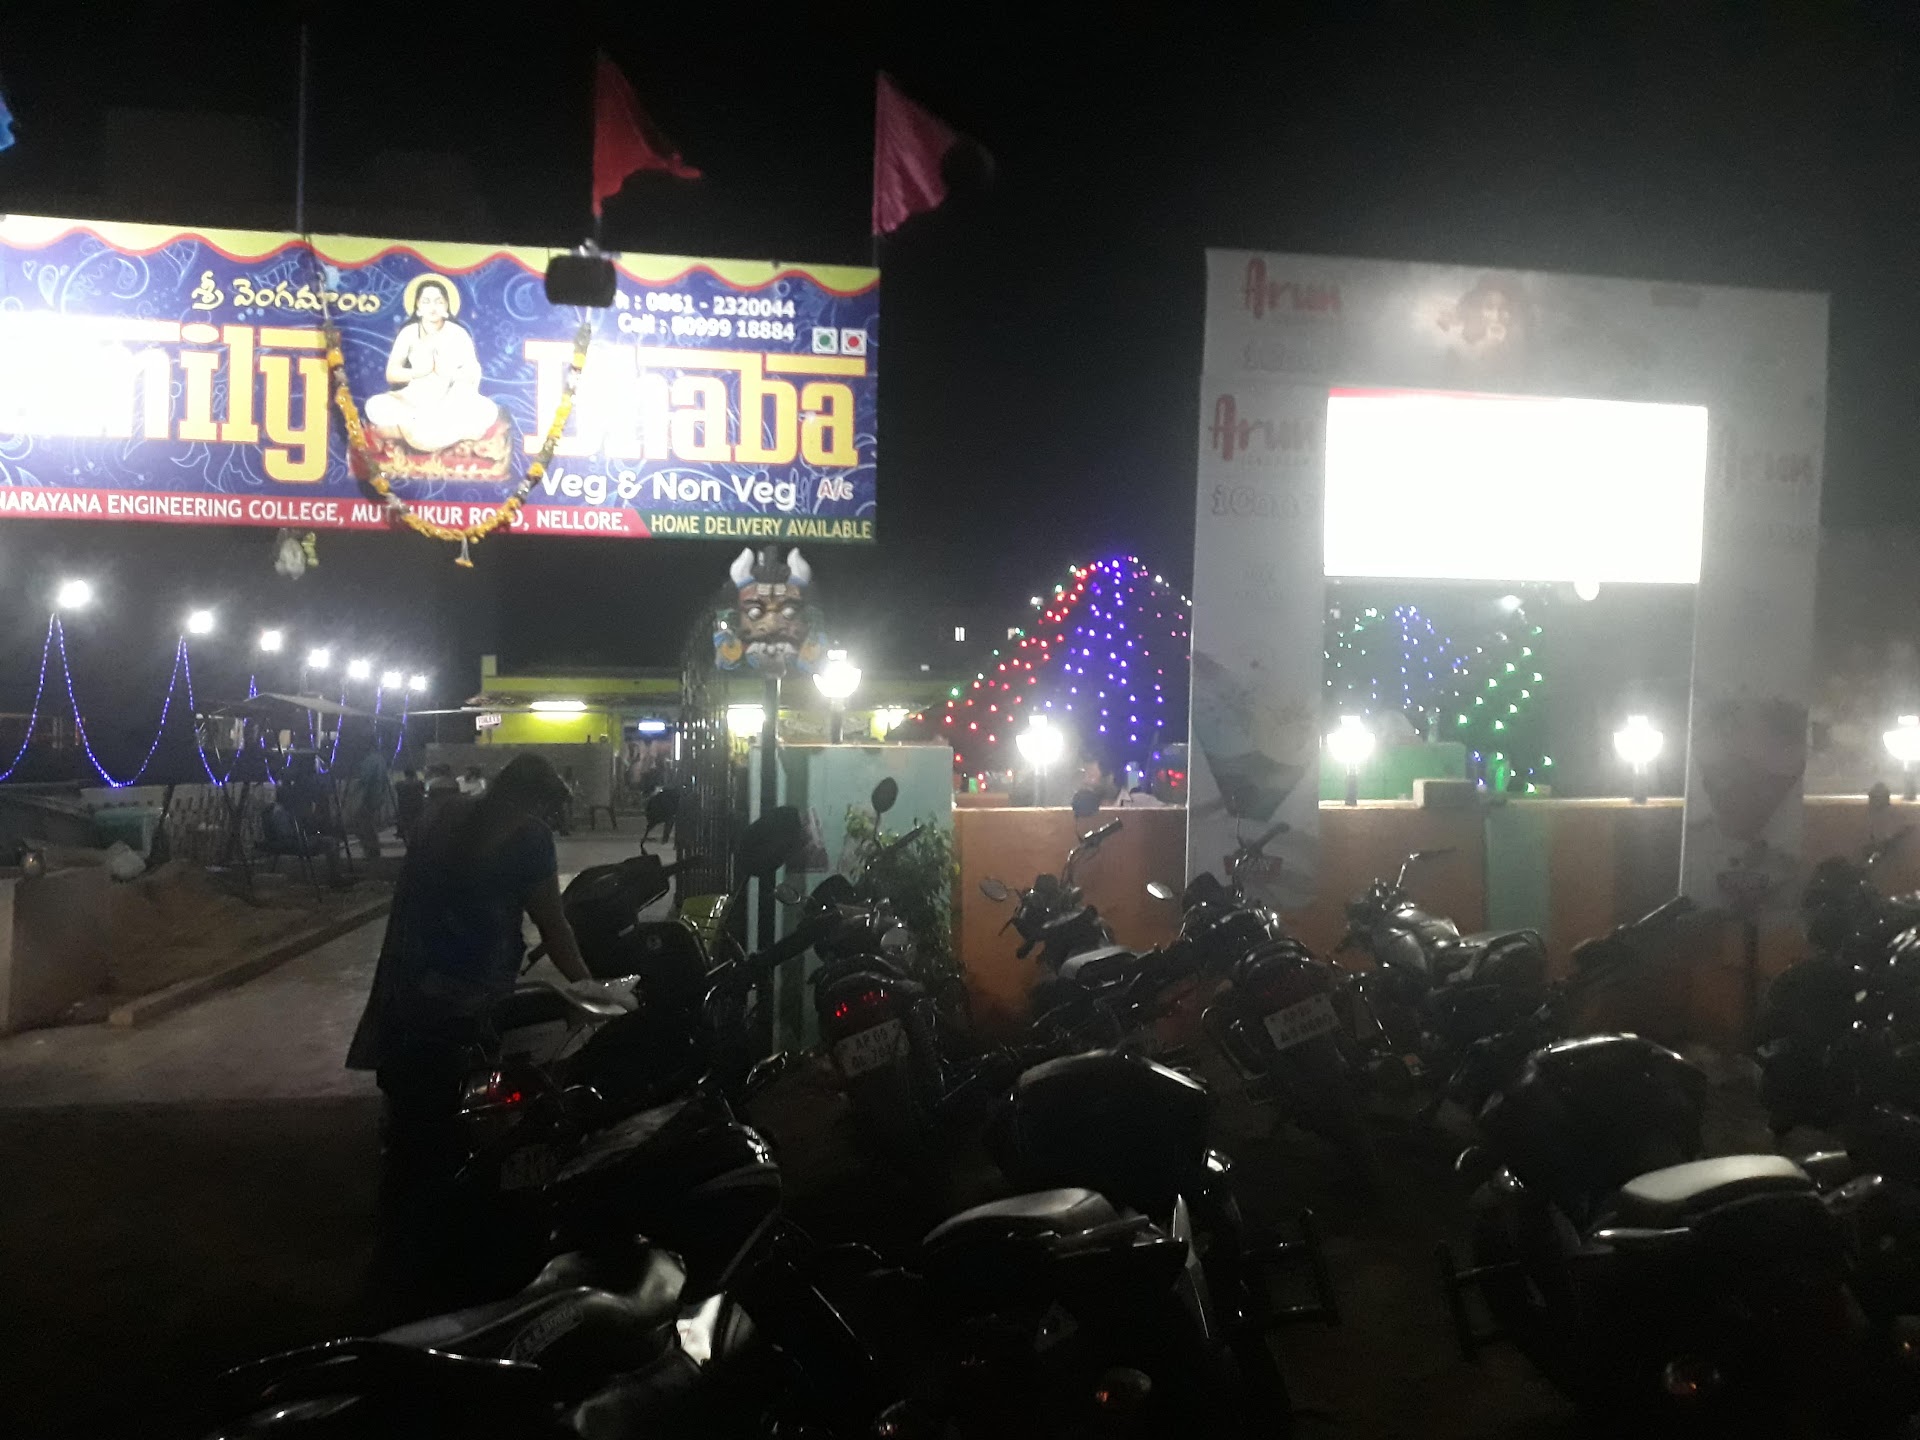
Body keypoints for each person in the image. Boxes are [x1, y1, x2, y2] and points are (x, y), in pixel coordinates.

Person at [346, 753, 624, 1307]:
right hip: (470, 1003)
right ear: (538, 801)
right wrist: (590, 988)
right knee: (471, 1120)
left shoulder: (439, 815)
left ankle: (397, 1254)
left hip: (406, 994)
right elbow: (553, 926)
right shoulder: (529, 838)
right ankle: (456, 1258)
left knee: (410, 1125)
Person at [362, 277, 501, 452]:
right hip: (414, 400)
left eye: (438, 301)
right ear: (418, 307)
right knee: (375, 405)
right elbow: (392, 374)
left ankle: (415, 431)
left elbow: (473, 372)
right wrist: (419, 372)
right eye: (426, 302)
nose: (432, 307)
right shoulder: (409, 332)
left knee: (488, 410)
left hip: (450, 401)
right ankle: (446, 432)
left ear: (447, 306)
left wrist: (448, 373)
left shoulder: (458, 333)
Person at [346, 745, 393, 860]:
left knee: (362, 822)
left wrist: (356, 790)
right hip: (376, 796)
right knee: (367, 822)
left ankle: (370, 848)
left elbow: (365, 778)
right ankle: (372, 849)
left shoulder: (370, 760)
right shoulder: (380, 759)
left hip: (369, 796)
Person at [393, 767, 427, 846]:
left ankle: (407, 841)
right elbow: (423, 791)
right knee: (415, 827)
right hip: (417, 809)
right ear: (414, 775)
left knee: (406, 827)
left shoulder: (399, 784)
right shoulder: (419, 784)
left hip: (404, 809)